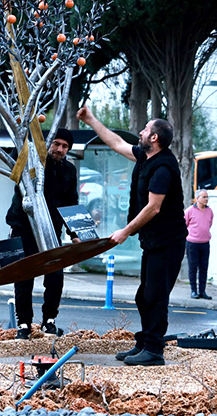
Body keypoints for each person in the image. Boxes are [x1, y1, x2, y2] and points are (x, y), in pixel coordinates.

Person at [77, 106, 187, 366]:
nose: (140, 131)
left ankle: (154, 351)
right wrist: (91, 119)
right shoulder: (144, 157)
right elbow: (116, 143)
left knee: (155, 296)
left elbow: (154, 207)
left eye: (145, 129)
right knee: (143, 296)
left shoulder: (164, 167)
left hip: (169, 243)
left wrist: (125, 232)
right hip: (153, 243)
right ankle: (145, 343)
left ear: (154, 138)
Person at [6, 128, 79, 339]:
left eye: (65, 146)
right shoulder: (31, 162)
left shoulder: (69, 171)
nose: (60, 149)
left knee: (56, 275)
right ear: (47, 144)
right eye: (56, 144)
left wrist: (74, 232)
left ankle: (49, 321)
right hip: (23, 228)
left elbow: (71, 202)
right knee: (23, 276)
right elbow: (14, 159)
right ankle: (24, 324)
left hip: (51, 229)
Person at [185, 190, 214, 299]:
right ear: (197, 198)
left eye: (207, 197)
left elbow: (209, 224)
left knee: (204, 268)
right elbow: (185, 224)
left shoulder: (210, 211)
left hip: (205, 243)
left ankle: (202, 291)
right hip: (192, 243)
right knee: (193, 267)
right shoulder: (189, 211)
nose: (206, 199)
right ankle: (193, 291)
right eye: (204, 197)